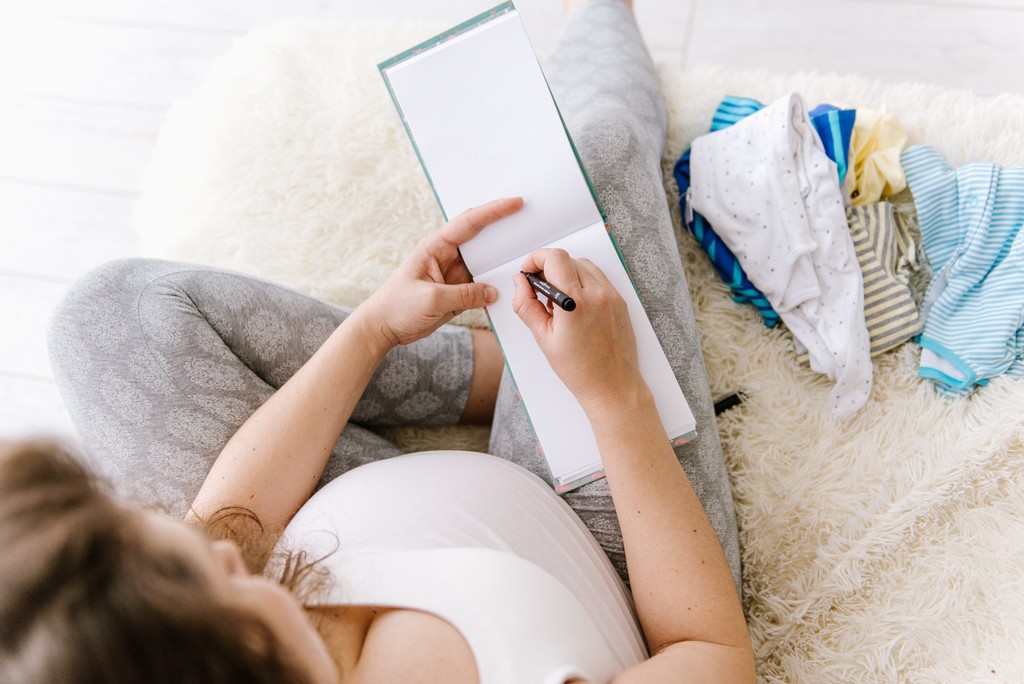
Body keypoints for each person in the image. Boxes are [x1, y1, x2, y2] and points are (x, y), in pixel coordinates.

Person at [23, 0, 754, 681]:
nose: (213, 546)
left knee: (105, 318)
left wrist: (374, 328)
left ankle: (497, 371)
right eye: (202, 580)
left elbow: (231, 522)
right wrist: (612, 393)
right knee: (588, 169)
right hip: (595, 544)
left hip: (375, 521)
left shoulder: (238, 607)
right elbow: (713, 656)